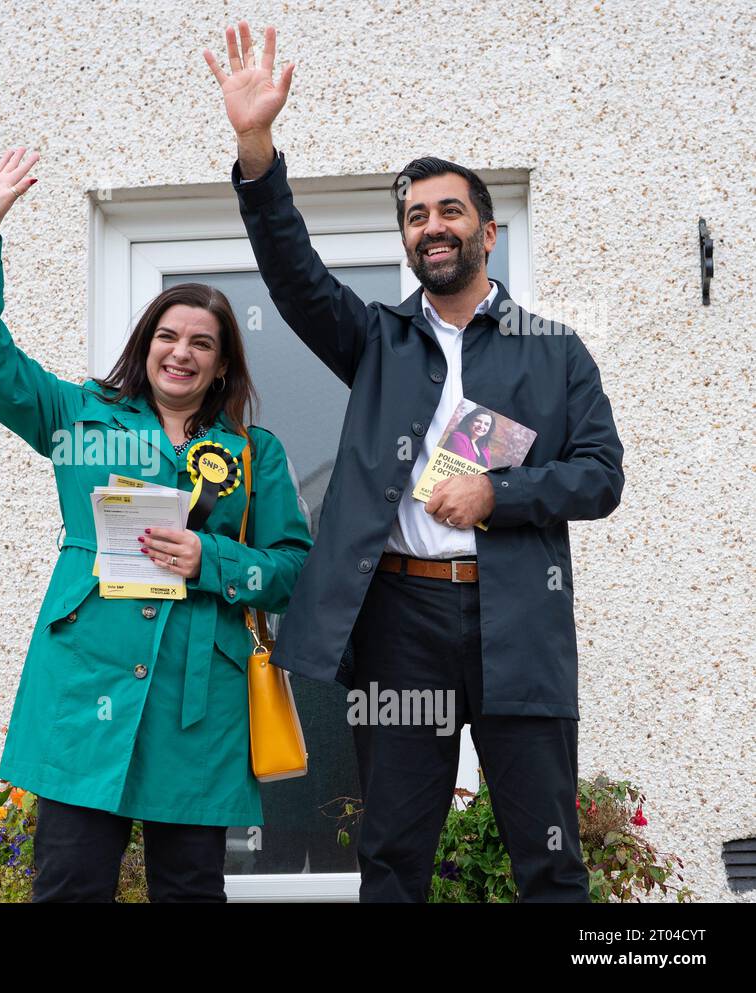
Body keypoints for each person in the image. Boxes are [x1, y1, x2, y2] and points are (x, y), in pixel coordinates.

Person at [204, 22, 624, 902]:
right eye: (415, 215)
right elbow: (293, 272)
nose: (431, 227)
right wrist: (257, 150)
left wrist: (501, 493)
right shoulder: (377, 339)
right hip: (400, 619)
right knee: (393, 854)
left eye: (449, 211)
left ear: (488, 230)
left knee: (548, 856)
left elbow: (601, 473)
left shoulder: (555, 351)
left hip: (519, 622)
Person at [0, 147, 313, 902]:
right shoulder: (79, 416)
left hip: (198, 708)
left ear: (221, 366)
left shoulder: (254, 452)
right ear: (147, 345)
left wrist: (209, 556)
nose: (181, 352)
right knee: (70, 885)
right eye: (168, 336)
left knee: (189, 891)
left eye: (202, 343)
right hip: (86, 689)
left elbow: (292, 570)